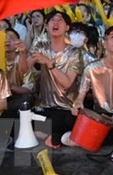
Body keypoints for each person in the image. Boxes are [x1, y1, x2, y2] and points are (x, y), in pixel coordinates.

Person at [64, 26, 113, 146]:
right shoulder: (91, 68)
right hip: (99, 116)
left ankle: (90, 138)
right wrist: (78, 103)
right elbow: (81, 95)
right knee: (69, 118)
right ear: (104, 42)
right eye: (112, 37)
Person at [29, 10, 82, 149]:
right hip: (45, 108)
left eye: (60, 20)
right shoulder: (40, 47)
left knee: (68, 121)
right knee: (23, 118)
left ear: (67, 27)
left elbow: (67, 83)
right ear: (46, 26)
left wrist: (49, 63)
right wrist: (23, 53)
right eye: (52, 20)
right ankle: (58, 137)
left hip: (67, 108)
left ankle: (49, 135)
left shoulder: (74, 52)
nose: (56, 23)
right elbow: (23, 70)